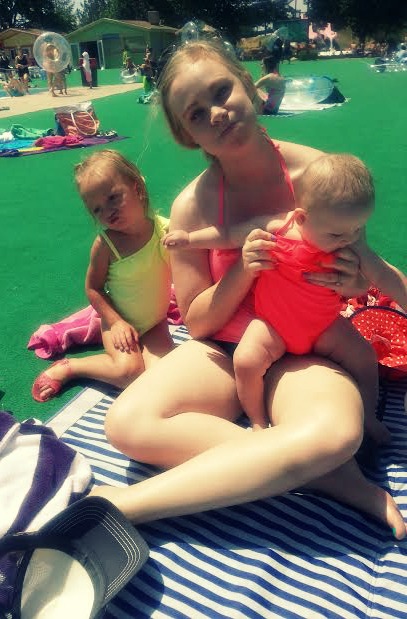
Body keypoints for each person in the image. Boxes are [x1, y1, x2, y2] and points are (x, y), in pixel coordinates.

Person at [91, 40, 407, 540]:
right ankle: (330, 476)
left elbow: (360, 268)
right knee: (127, 423)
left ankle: (124, 505)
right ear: (188, 135)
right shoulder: (193, 206)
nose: (216, 113)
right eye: (196, 114)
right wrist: (243, 269)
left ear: (250, 86)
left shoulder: (321, 177)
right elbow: (198, 323)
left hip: (303, 346)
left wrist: (353, 281)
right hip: (225, 348)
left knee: (337, 432)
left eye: (222, 92)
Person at [163, 153, 407, 440]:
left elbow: (384, 275)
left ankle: (368, 415)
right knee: (245, 361)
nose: (348, 238)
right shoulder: (276, 229)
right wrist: (190, 240)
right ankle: (258, 421)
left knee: (364, 357)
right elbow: (228, 235)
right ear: (302, 217)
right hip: (273, 325)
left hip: (324, 325)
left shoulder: (348, 244)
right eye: (337, 234)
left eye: (358, 228)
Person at [32, 150, 174, 403]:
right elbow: (93, 288)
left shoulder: (165, 230)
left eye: (113, 197)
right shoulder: (107, 245)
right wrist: (116, 322)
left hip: (155, 323)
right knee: (129, 373)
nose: (108, 211)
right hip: (117, 320)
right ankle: (72, 367)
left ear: (137, 187)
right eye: (97, 209)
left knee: (163, 377)